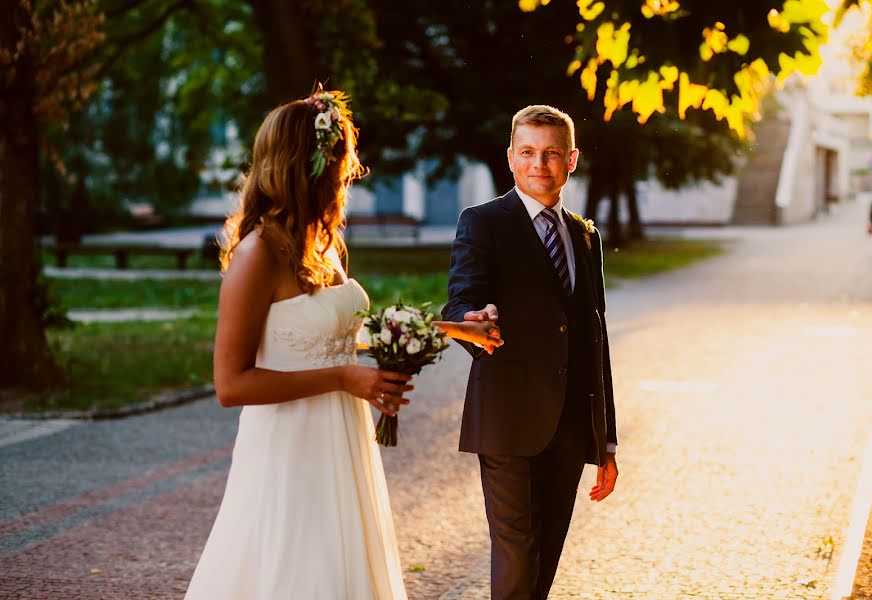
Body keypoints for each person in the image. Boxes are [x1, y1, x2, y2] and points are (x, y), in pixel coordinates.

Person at [185, 91, 502, 600]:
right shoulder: (257, 254)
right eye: (338, 165)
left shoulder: (320, 245)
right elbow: (230, 383)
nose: (347, 176)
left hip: (341, 437)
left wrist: (457, 328)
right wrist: (346, 378)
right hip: (288, 447)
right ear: (301, 167)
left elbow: (345, 330)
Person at [442, 104, 618, 599]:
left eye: (551, 153)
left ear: (571, 160)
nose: (540, 163)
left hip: (568, 425)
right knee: (517, 553)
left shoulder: (586, 237)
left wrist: (604, 440)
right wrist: (473, 321)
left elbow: (594, 337)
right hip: (507, 417)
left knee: (545, 556)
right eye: (528, 153)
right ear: (511, 159)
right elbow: (462, 298)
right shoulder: (482, 223)